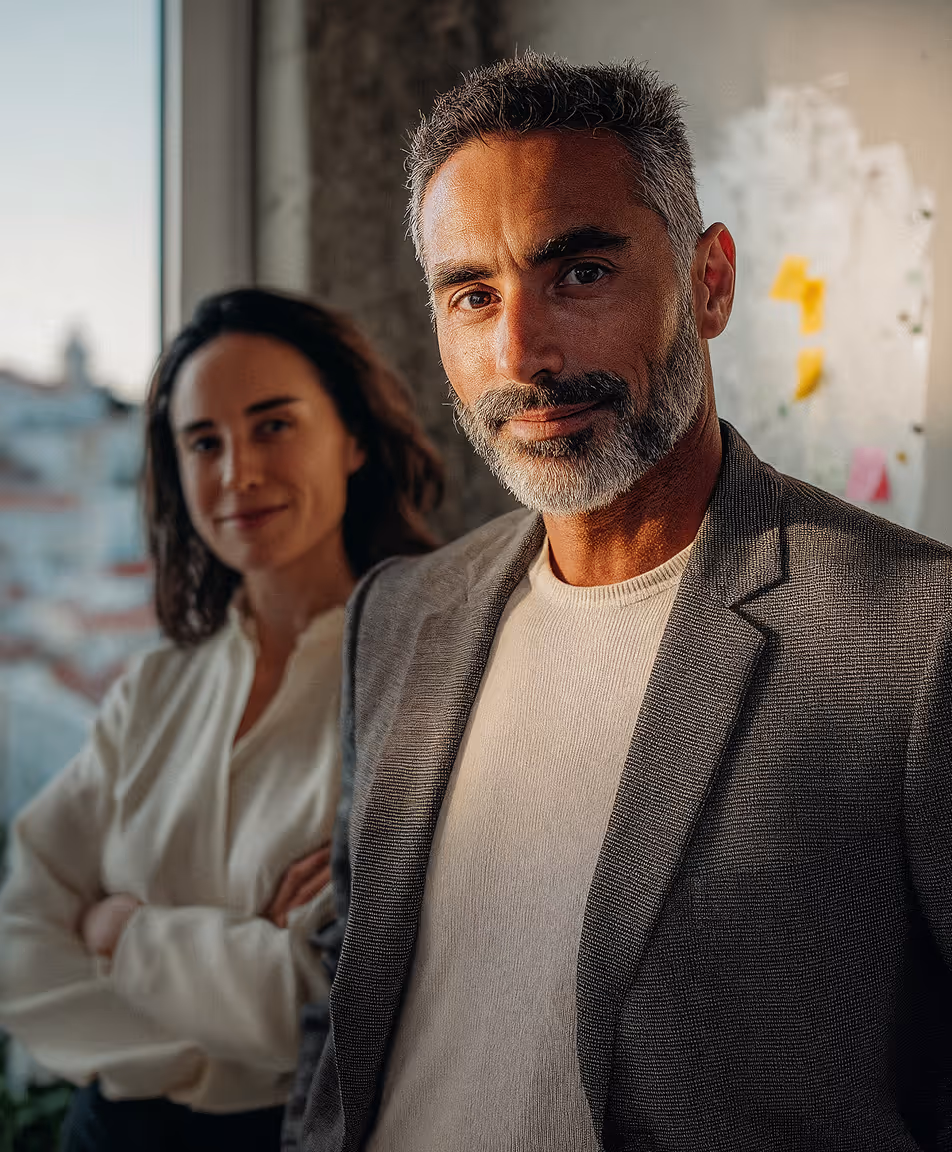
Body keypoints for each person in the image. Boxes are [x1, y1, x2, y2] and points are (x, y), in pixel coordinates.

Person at [293, 52, 952, 1152]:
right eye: (473, 295)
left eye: (581, 273)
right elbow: (344, 1003)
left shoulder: (915, 636)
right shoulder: (399, 617)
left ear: (710, 281)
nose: (523, 353)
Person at [0, 287, 443, 1152]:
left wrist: (123, 932)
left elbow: (334, 1001)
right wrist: (230, 992)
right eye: (204, 442)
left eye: (273, 425)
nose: (238, 472)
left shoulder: (423, 681)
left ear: (352, 439)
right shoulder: (153, 688)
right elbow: (21, 939)